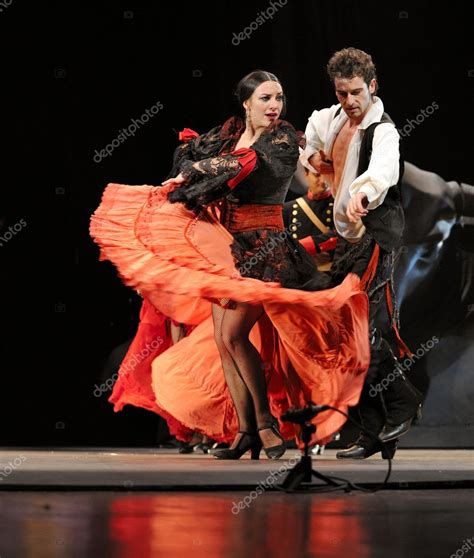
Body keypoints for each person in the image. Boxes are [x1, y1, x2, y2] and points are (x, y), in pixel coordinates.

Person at [90, 69, 371, 460]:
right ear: (246, 103)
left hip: (264, 250)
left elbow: (246, 164)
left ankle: (265, 425)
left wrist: (204, 169)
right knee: (225, 342)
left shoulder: (284, 139)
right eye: (266, 99)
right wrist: (192, 169)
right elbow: (191, 161)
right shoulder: (228, 135)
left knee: (235, 336)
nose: (275, 106)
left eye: (279, 98)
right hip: (225, 250)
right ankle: (245, 432)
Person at [303, 48, 422, 459]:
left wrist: (364, 194)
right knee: (345, 337)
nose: (349, 102)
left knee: (365, 332)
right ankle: (370, 429)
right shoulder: (331, 118)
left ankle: (404, 400)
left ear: (372, 86)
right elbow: (311, 136)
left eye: (356, 92)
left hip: (376, 235)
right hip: (347, 241)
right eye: (341, 94)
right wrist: (312, 157)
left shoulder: (383, 130)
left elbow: (384, 170)